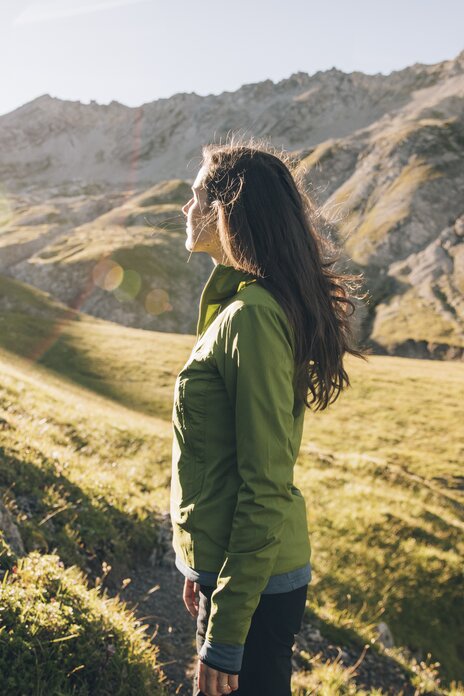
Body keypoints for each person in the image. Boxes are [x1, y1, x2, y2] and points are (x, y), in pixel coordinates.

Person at [170, 134, 369, 696]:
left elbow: (264, 484)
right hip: (238, 571)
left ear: (227, 208)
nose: (186, 209)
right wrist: (200, 565)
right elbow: (219, 459)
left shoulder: (251, 317)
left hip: (256, 587)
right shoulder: (242, 306)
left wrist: (228, 631)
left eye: (196, 196)